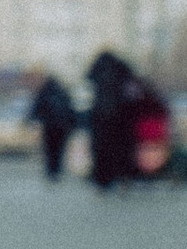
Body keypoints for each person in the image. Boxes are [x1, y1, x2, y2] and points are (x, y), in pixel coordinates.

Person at [87, 45, 142, 188]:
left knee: (101, 148)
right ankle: (120, 176)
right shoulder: (122, 68)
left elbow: (88, 79)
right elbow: (134, 92)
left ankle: (102, 180)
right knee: (119, 148)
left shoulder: (98, 68)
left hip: (101, 115)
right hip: (120, 116)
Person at [27, 72, 76, 178]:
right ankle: (57, 169)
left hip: (49, 126)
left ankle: (51, 170)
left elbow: (37, 107)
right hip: (62, 127)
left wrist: (31, 119)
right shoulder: (63, 92)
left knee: (50, 149)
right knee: (59, 149)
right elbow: (71, 110)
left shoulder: (44, 92)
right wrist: (72, 125)